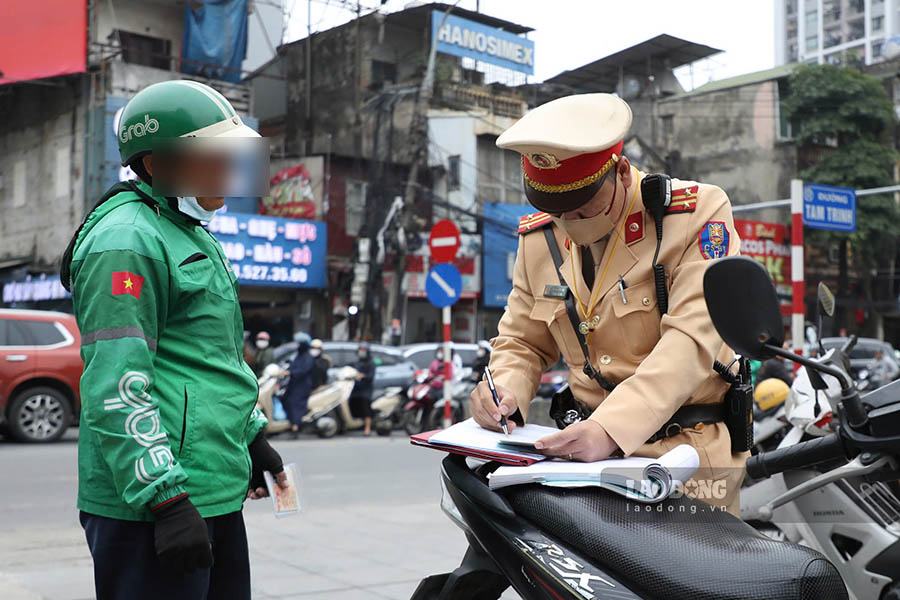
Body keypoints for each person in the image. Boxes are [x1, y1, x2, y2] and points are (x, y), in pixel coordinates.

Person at [59, 80, 287, 599]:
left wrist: (252, 436)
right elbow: (115, 384)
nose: (225, 171)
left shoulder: (187, 228)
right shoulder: (126, 241)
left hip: (210, 490)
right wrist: (165, 500)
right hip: (155, 504)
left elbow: (209, 358)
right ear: (156, 164)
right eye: (210, 158)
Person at [469, 93, 747, 514]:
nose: (570, 223)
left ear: (619, 171)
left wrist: (610, 428)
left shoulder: (694, 215)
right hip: (580, 454)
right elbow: (522, 342)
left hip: (684, 456)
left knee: (673, 577)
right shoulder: (539, 239)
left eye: (583, 208)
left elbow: (691, 340)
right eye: (556, 211)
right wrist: (503, 391)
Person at [282, 333, 315, 438]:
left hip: (303, 386)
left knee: (295, 403)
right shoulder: (298, 356)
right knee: (284, 399)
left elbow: (303, 371)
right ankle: (291, 423)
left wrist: (291, 373)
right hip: (293, 384)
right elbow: (292, 366)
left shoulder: (308, 357)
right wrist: (285, 371)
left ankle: (295, 428)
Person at [350, 342, 376, 435]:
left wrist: (363, 376)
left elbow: (370, 377)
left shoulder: (370, 363)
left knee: (365, 406)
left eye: (363, 350)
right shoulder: (356, 363)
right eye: (360, 350)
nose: (361, 352)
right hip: (355, 388)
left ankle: (367, 428)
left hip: (366, 389)